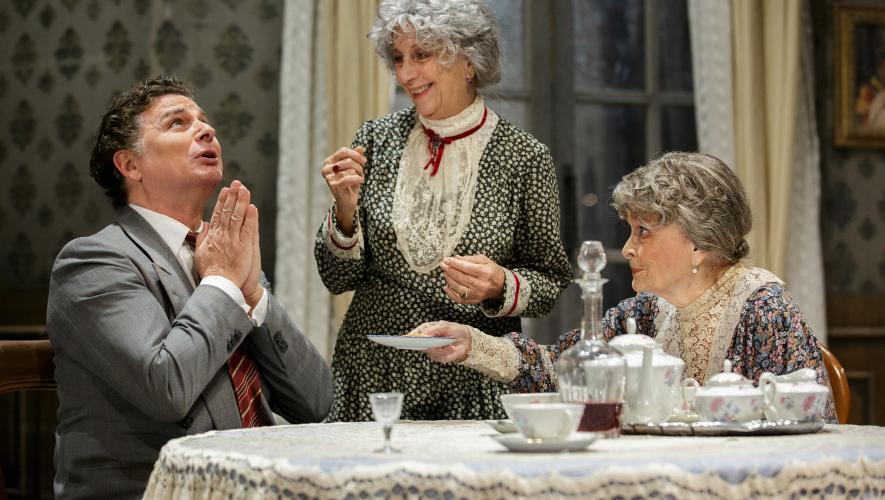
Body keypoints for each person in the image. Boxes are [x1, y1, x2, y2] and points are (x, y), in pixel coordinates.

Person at [47, 76, 333, 499]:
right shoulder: (93, 262)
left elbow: (317, 402)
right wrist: (222, 282)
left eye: (204, 120)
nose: (206, 129)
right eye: (177, 123)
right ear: (130, 165)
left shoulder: (224, 252)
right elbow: (167, 388)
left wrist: (253, 296)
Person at [416, 152, 835, 421]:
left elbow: (809, 427)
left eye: (643, 231)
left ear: (700, 242)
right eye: (630, 230)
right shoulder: (649, 310)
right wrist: (470, 343)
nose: (629, 248)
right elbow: (561, 367)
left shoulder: (764, 307)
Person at [315, 0, 571, 421]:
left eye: (422, 55)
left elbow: (551, 281)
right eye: (398, 58)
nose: (405, 74)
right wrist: (344, 211)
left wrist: (500, 284)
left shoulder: (525, 158)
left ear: (468, 61)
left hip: (472, 383)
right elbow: (336, 278)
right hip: (372, 378)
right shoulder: (375, 140)